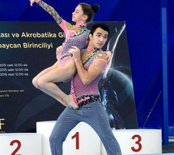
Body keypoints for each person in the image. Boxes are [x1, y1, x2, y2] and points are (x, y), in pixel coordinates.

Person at [49, 23, 122, 155]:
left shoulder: (102, 57)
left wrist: (76, 59)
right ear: (90, 36)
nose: (101, 39)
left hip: (92, 106)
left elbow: (86, 80)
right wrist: (60, 57)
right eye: (98, 35)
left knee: (108, 140)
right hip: (73, 106)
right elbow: (66, 78)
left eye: (105, 37)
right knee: (54, 138)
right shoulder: (79, 52)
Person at [30, 0, 99, 109]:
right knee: (36, 82)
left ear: (84, 17)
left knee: (42, 81)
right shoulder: (68, 27)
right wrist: (38, 1)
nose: (73, 13)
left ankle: (67, 98)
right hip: (59, 62)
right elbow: (53, 12)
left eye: (76, 12)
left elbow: (91, 49)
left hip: (69, 64)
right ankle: (64, 101)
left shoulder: (88, 34)